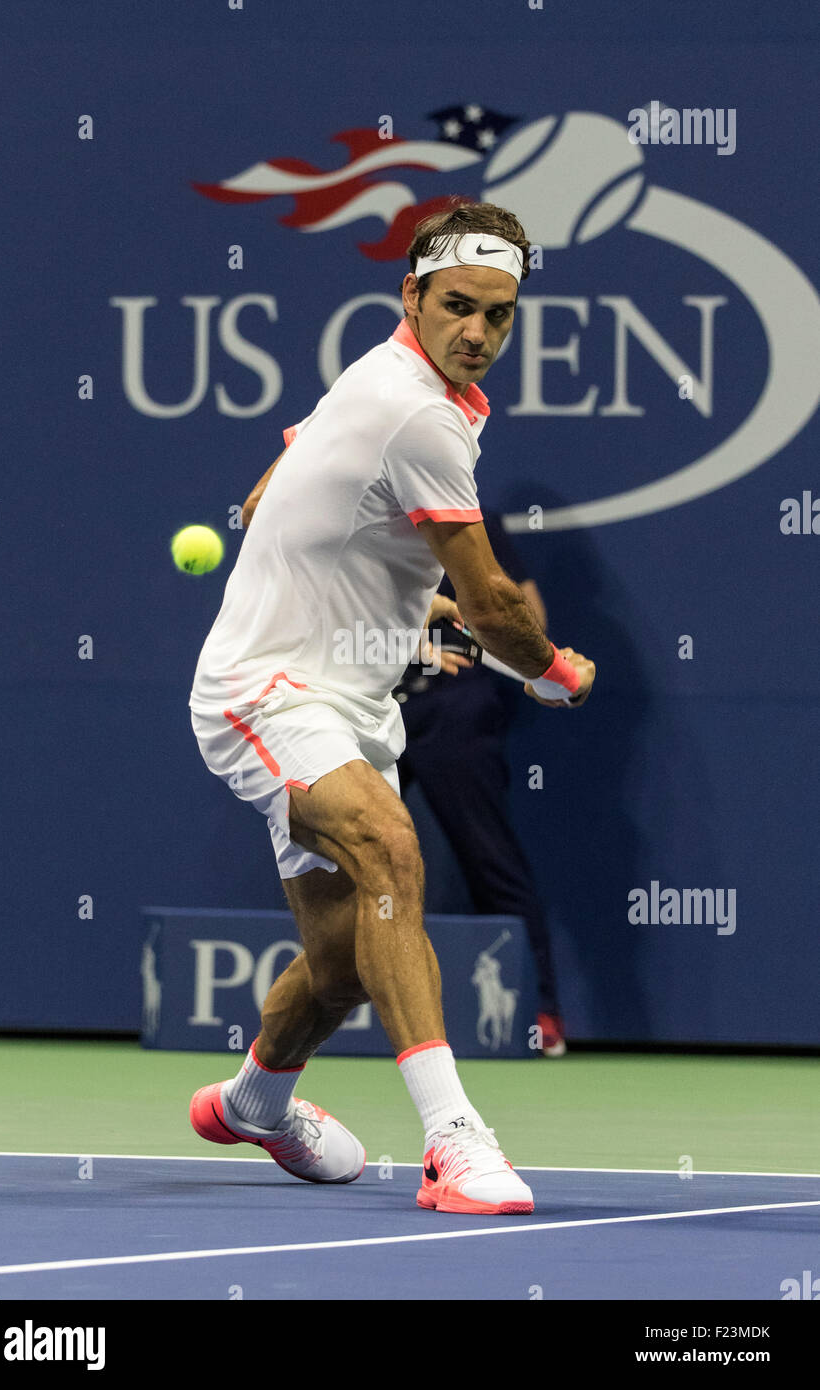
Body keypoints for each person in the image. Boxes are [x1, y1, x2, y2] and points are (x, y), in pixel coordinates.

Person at [187, 199, 595, 1215]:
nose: (478, 332)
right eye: (458, 306)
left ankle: (252, 1104)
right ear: (411, 295)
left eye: (498, 315)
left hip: (350, 704)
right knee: (391, 848)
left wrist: (407, 601)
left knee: (339, 963)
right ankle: (453, 1141)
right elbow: (496, 602)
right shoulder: (420, 413)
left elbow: (271, 492)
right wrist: (551, 671)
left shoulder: (388, 380)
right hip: (262, 691)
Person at [395, 509, 568, 1057]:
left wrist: (468, 638)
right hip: (368, 702)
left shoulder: (470, 520)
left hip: (454, 708)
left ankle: (539, 1013)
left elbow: (528, 620)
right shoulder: (357, 515)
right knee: (334, 863)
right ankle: (332, 1015)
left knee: (491, 861)